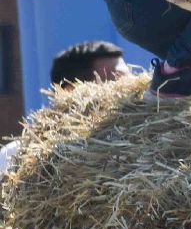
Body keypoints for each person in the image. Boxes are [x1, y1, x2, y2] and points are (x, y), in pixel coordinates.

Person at [0, 41, 131, 178]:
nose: (130, 90)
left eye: (130, 80)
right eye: (117, 82)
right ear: (72, 92)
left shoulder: (141, 147)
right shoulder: (15, 158)